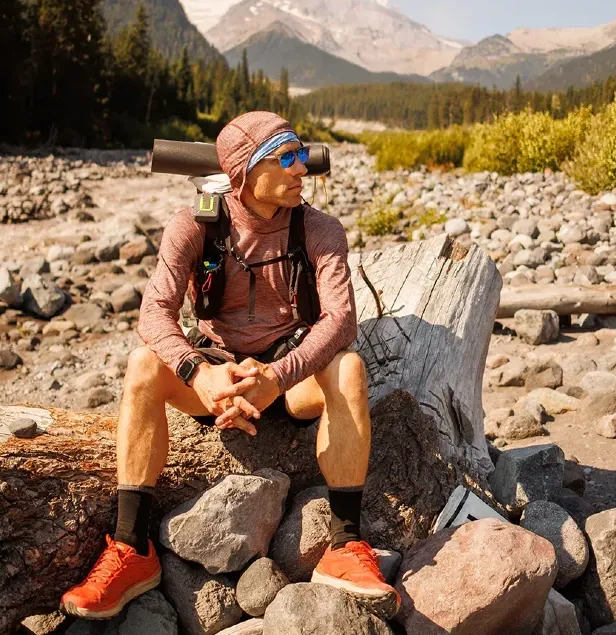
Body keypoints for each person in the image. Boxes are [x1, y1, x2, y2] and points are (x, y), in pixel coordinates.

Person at [60, 111, 400, 619]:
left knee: (347, 366)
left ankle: (345, 545)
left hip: (289, 375)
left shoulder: (320, 229)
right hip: (214, 368)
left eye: (301, 155)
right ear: (243, 172)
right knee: (142, 366)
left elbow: (341, 320)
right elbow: (154, 313)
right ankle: (132, 547)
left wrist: (276, 377)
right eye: (285, 158)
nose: (300, 169)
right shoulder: (194, 224)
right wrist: (200, 372)